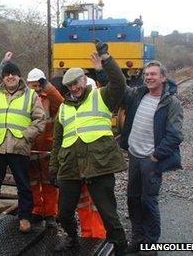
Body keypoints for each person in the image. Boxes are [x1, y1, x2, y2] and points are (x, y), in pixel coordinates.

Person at [49, 41, 128, 254]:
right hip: (70, 167)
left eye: (77, 82)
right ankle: (73, 239)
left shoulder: (101, 96)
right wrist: (53, 169)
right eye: (70, 86)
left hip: (99, 164)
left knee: (108, 214)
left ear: (84, 79)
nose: (75, 88)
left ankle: (121, 248)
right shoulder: (64, 109)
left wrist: (106, 59)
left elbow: (119, 84)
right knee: (64, 213)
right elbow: (57, 141)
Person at [0, 56, 46, 233]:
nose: (10, 77)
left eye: (13, 74)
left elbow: (40, 119)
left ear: (19, 77)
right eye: (7, 75)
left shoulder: (31, 95)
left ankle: (24, 218)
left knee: (23, 184)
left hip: (19, 146)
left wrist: (25, 136)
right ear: (4, 78)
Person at [120, 60, 183, 255]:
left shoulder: (171, 103)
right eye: (146, 74)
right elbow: (120, 86)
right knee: (133, 199)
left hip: (150, 160)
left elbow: (175, 135)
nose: (148, 77)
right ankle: (137, 238)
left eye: (153, 74)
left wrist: (156, 157)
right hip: (134, 156)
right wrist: (104, 66)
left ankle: (151, 243)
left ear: (163, 78)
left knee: (149, 201)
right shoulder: (140, 94)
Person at [25, 68, 63, 227]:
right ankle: (36, 210)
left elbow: (62, 104)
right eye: (32, 85)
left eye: (38, 84)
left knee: (49, 182)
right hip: (30, 147)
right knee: (32, 181)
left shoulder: (50, 98)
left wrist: (48, 86)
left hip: (47, 148)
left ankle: (50, 214)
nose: (35, 88)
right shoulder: (25, 99)